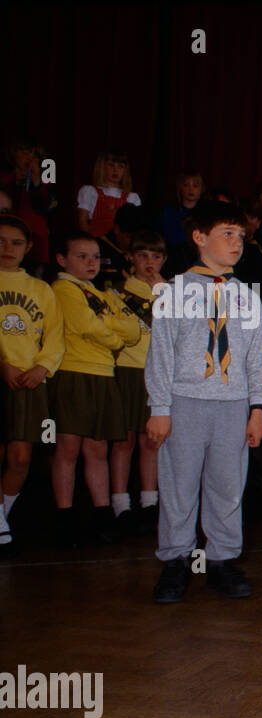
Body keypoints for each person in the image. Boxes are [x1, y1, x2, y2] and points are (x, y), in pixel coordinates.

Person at [145, 201, 262, 602]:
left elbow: (256, 357)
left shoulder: (247, 297)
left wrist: (258, 408)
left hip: (233, 404)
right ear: (200, 238)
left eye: (241, 235)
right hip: (185, 401)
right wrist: (160, 409)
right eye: (227, 234)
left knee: (227, 486)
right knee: (179, 486)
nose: (237, 243)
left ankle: (221, 560)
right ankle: (176, 561)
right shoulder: (174, 291)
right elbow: (161, 355)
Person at [50, 231, 141, 547]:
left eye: (95, 257)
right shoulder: (63, 289)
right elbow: (85, 326)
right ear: (62, 260)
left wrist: (111, 330)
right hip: (74, 371)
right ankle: (65, 519)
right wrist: (113, 337)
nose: (91, 263)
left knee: (97, 448)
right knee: (69, 447)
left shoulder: (104, 294)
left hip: (105, 373)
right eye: (81, 256)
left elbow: (131, 328)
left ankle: (102, 515)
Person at [0, 214, 61, 553]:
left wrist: (42, 367)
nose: (8, 248)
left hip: (29, 380)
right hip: (3, 374)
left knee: (21, 456)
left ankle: (2, 518)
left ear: (29, 247)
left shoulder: (40, 289)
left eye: (16, 242)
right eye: (1, 241)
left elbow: (55, 336)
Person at [110, 229, 165, 533]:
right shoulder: (118, 292)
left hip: (156, 372)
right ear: (131, 257)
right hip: (126, 369)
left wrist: (162, 293)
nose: (149, 262)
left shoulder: (170, 291)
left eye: (156, 256)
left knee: (151, 440)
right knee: (123, 440)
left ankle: (149, 502)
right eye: (142, 255)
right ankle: (120, 504)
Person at [76, 152, 142, 239]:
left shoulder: (132, 197)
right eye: (111, 165)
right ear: (102, 167)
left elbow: (135, 226)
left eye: (120, 166)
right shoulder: (90, 191)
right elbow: (83, 221)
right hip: (96, 241)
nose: (116, 170)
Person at [160, 171, 204, 265]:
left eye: (195, 186)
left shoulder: (205, 213)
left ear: (201, 189)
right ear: (180, 188)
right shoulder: (168, 211)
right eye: (186, 185)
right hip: (172, 257)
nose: (190, 189)